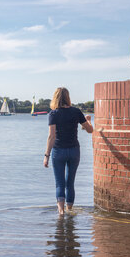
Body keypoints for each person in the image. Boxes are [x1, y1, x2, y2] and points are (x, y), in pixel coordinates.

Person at [43, 87, 93, 215]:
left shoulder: (53, 114)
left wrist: (46, 155)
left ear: (55, 98)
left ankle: (61, 212)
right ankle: (70, 210)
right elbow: (89, 130)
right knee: (70, 183)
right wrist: (88, 120)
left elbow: (51, 136)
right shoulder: (76, 112)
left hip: (58, 151)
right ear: (68, 98)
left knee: (60, 183)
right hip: (74, 151)